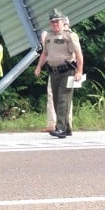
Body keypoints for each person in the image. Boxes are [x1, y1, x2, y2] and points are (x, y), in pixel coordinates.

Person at [33, 10, 84, 139]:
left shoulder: (69, 36)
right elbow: (45, 54)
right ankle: (67, 128)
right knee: (56, 101)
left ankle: (60, 128)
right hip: (53, 71)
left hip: (67, 71)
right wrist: (39, 66)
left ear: (62, 22)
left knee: (63, 100)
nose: (55, 24)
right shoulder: (49, 36)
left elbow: (78, 54)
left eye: (57, 22)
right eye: (53, 22)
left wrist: (79, 71)